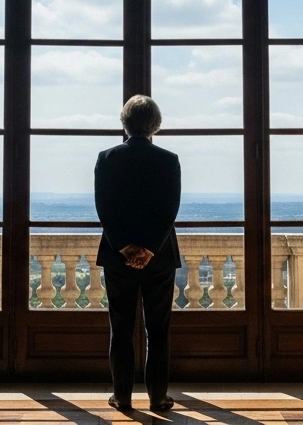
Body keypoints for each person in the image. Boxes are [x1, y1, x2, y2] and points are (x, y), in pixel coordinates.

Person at [94, 94, 181, 413]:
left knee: (121, 328)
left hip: (118, 256)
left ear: (124, 122)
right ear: (156, 125)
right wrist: (149, 248)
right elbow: (170, 209)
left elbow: (104, 206)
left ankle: (123, 397)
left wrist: (124, 246)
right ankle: (158, 397)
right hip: (159, 257)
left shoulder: (107, 157)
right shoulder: (169, 159)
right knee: (158, 330)